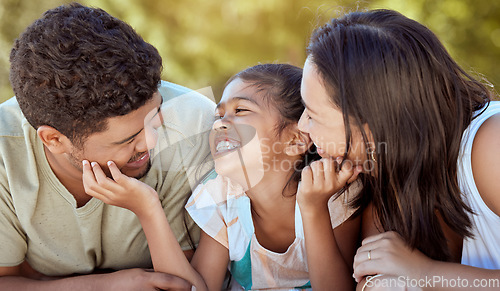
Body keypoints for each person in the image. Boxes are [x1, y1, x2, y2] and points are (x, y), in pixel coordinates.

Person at [0, 3, 215, 290]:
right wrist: (108, 285)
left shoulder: (197, 125)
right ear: (54, 140)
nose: (151, 142)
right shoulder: (5, 150)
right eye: (127, 139)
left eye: (155, 117)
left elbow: (184, 281)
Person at [298, 9, 500, 291]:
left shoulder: (491, 146)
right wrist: (312, 210)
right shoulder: (389, 172)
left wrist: (426, 272)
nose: (301, 125)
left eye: (313, 114)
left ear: (372, 122)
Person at [185, 63, 365, 290]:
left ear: (295, 140)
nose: (219, 123)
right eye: (219, 115)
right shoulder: (221, 197)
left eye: (240, 110)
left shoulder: (334, 193)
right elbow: (202, 287)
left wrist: (314, 207)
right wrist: (148, 208)